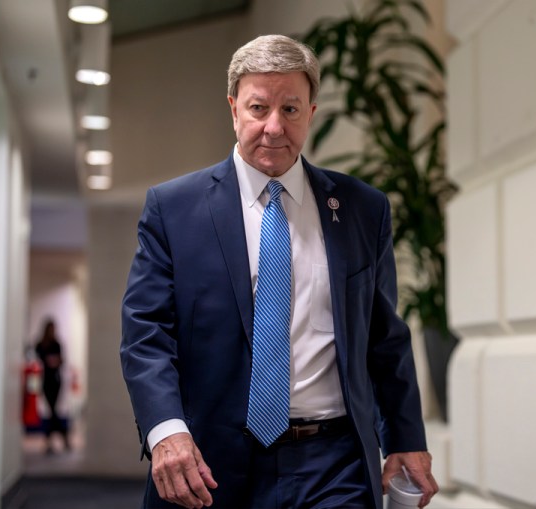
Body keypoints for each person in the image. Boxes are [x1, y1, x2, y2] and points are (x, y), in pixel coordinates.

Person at [121, 34, 439, 509]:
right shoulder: (174, 209)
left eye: (290, 110)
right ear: (233, 109)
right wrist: (166, 431)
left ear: (311, 113)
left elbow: (384, 337)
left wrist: (405, 437)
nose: (273, 127)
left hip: (334, 463)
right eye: (257, 108)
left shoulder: (361, 210)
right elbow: (146, 334)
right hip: (210, 463)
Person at [35, 318, 70, 453]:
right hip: (46, 380)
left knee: (53, 411)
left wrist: (54, 361)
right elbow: (39, 358)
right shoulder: (41, 344)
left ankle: (50, 440)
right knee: (52, 411)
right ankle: (63, 437)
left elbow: (61, 360)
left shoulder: (57, 344)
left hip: (56, 380)